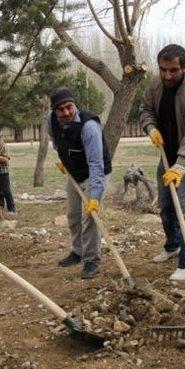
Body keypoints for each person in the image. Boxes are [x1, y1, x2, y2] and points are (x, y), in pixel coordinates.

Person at [139, 44, 185, 282]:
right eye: (163, 69)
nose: (167, 75)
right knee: (166, 207)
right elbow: (146, 109)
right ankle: (173, 246)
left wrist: (181, 166)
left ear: (184, 68)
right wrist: (150, 129)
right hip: (166, 155)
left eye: (173, 70)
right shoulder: (155, 84)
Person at [49, 87, 112, 279]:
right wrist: (62, 158)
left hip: (94, 174)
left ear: (75, 104)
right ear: (54, 111)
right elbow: (55, 139)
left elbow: (96, 164)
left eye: (69, 107)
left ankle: (91, 260)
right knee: (73, 215)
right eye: (61, 110)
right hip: (73, 174)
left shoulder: (89, 127)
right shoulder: (50, 120)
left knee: (90, 218)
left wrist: (94, 196)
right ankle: (78, 252)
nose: (66, 113)